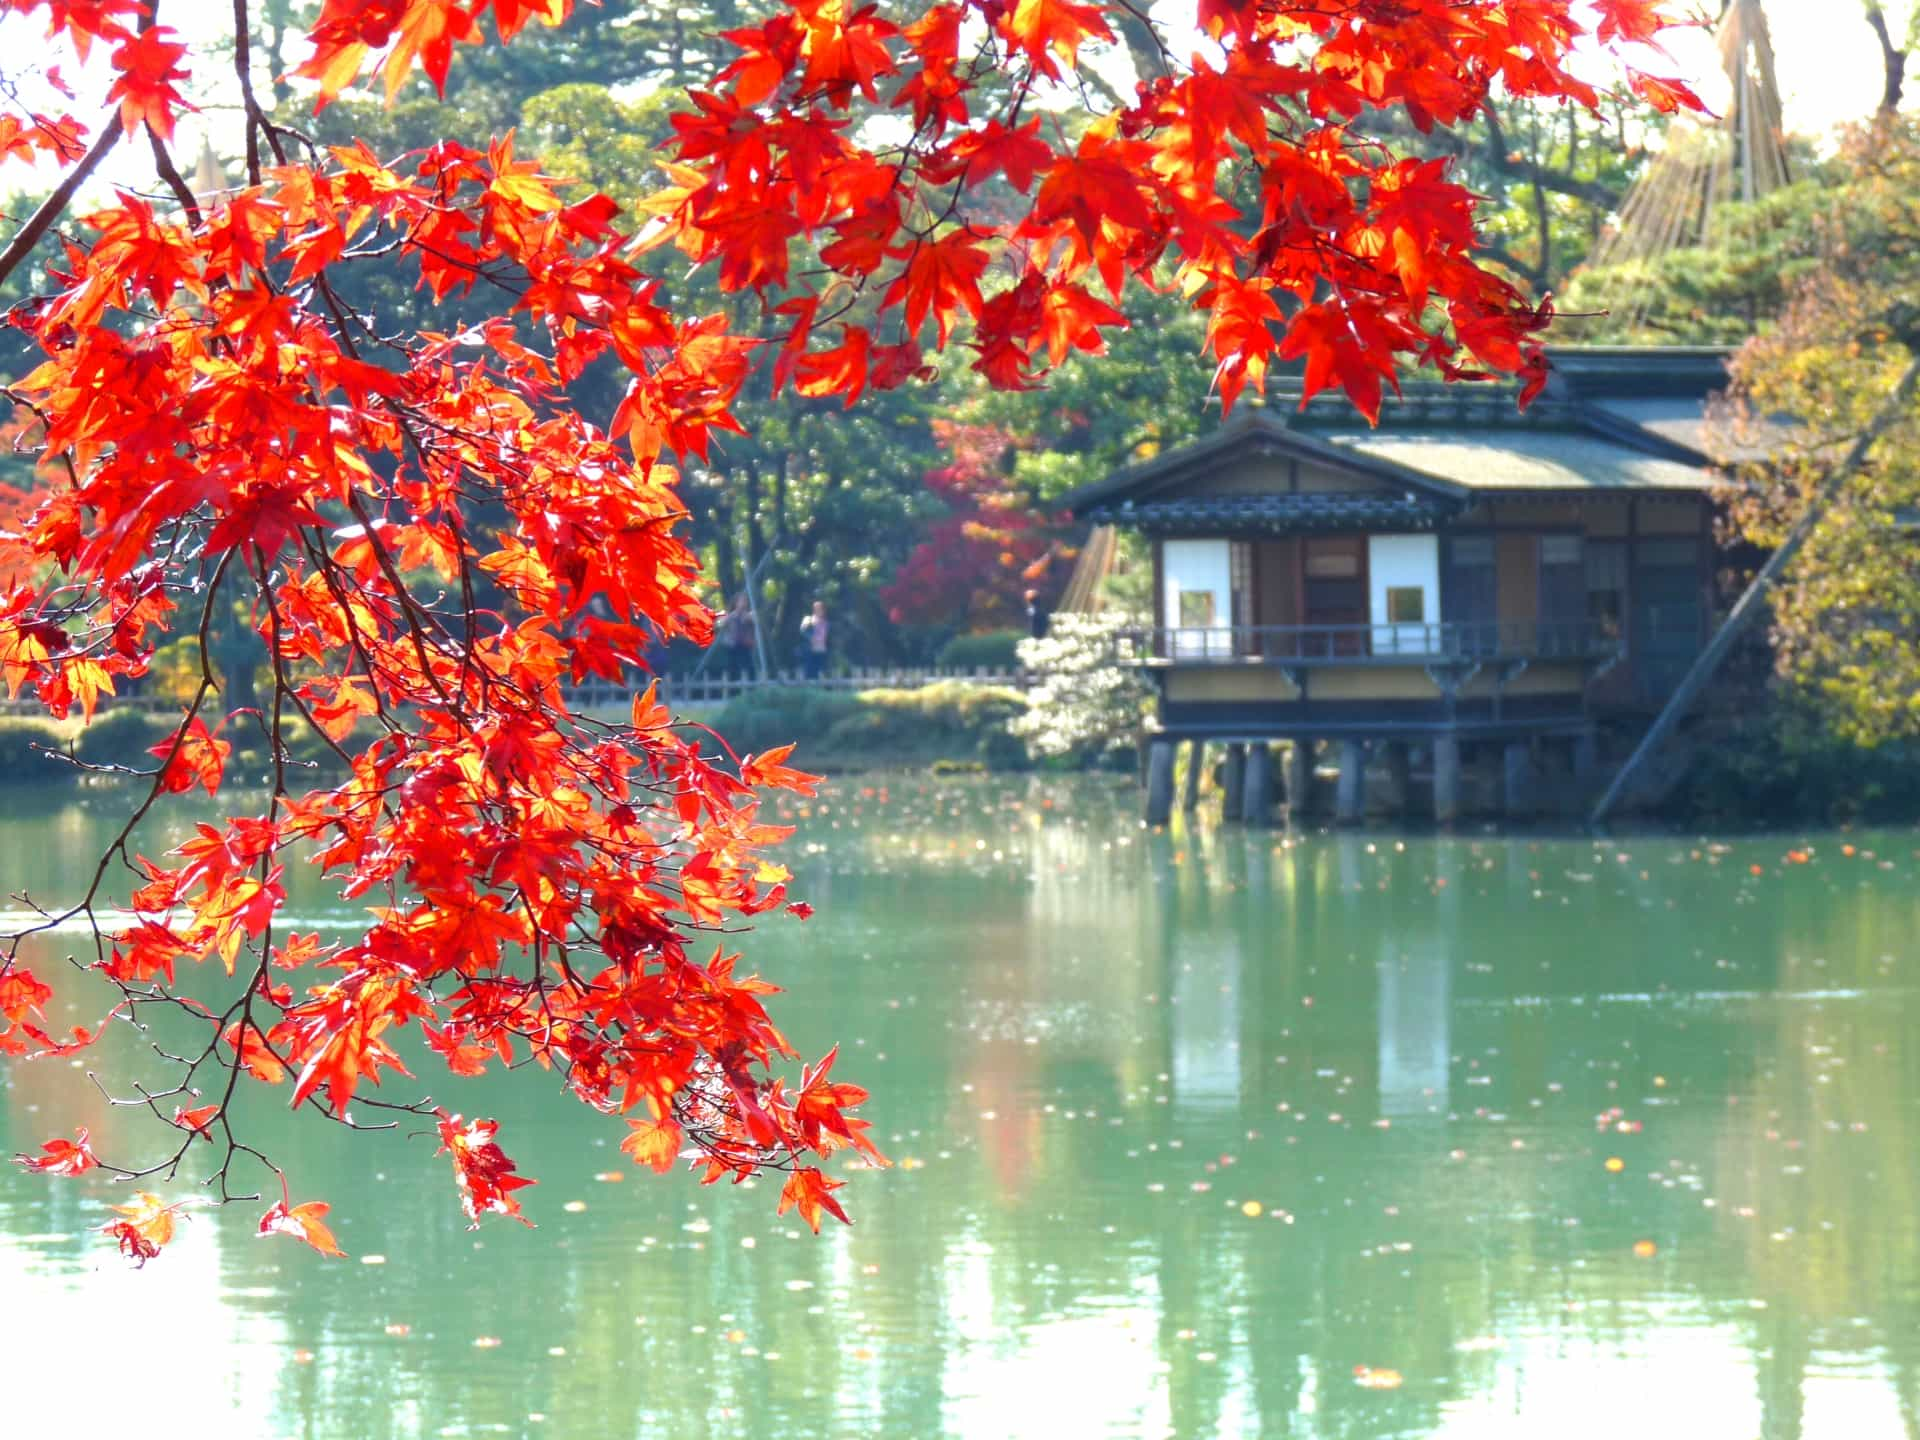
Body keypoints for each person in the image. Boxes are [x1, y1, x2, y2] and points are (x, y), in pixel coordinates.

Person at [717, 594, 755, 680]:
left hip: (745, 644)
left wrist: (750, 619)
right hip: (733, 644)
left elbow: (755, 623)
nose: (742, 603)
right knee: (732, 666)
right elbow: (718, 624)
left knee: (748, 665)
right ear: (736, 603)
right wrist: (722, 621)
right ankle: (733, 684)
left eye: (744, 601)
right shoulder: (731, 616)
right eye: (740, 601)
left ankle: (751, 683)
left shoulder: (749, 615)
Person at [799, 600, 830, 680]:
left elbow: (827, 636)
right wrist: (811, 638)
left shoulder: (826, 623)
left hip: (822, 649)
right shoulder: (808, 619)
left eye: (820, 608)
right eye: (816, 608)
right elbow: (802, 631)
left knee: (822, 671)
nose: (818, 610)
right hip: (811, 650)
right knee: (810, 671)